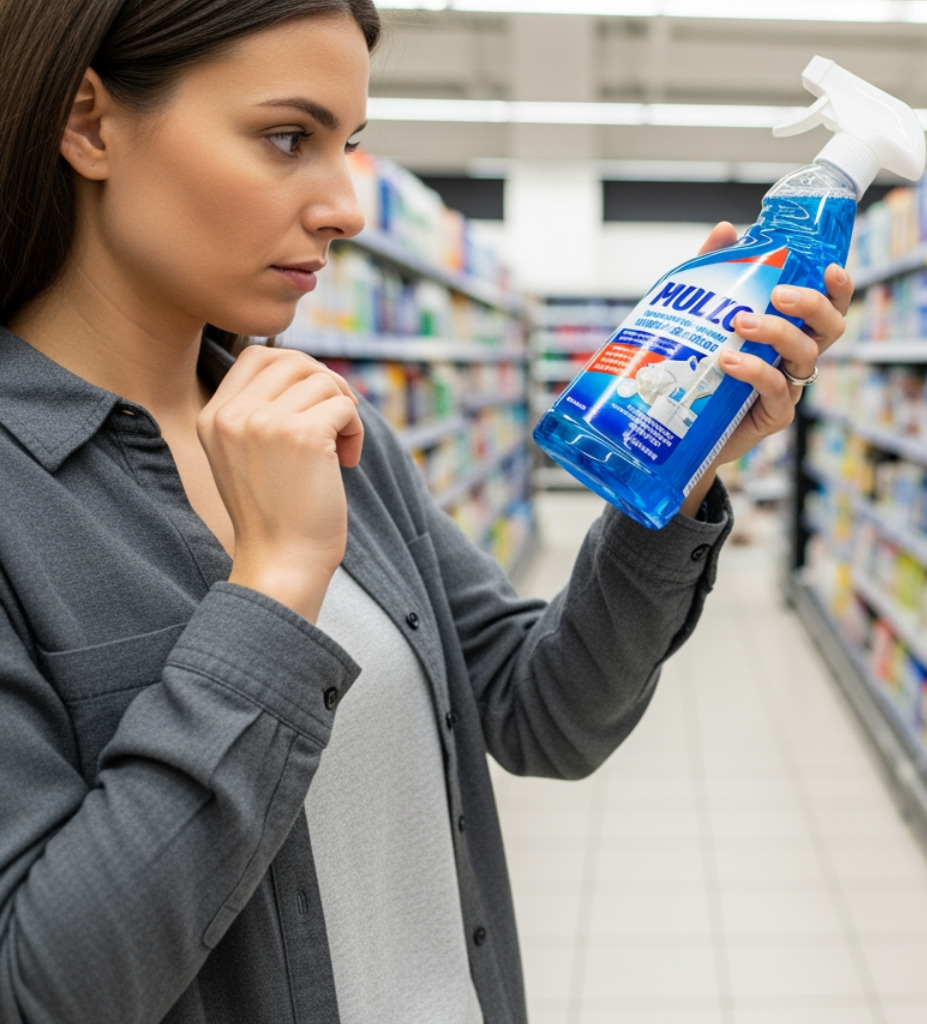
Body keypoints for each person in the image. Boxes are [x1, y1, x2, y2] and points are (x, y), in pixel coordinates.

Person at [0, 2, 851, 1021]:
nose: (344, 207)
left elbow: (547, 716)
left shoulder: (328, 430)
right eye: (286, 138)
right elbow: (40, 989)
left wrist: (681, 464)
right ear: (90, 123)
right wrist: (272, 588)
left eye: (348, 147)